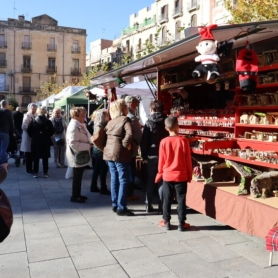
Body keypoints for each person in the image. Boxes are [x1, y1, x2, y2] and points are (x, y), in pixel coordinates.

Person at [155, 116, 192, 231]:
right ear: (177, 126)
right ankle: (181, 222)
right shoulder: (183, 140)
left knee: (167, 199)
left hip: (167, 175)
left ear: (166, 128)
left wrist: (160, 173)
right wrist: (189, 174)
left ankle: (166, 221)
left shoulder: (163, 142)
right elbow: (188, 160)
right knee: (181, 198)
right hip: (181, 175)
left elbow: (161, 160)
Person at [103, 99, 134, 216]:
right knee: (123, 179)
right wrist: (126, 145)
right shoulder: (125, 120)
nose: (127, 107)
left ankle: (115, 204)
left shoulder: (111, 122)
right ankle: (121, 207)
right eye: (125, 106)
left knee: (114, 178)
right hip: (119, 152)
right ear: (122, 108)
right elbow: (130, 134)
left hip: (108, 152)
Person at [140, 100, 168, 213]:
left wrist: (143, 155)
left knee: (151, 180)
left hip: (152, 154)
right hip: (165, 154)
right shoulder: (167, 121)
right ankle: (161, 206)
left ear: (152, 110)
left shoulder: (149, 122)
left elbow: (144, 141)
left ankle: (148, 204)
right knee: (162, 180)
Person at [66, 106, 92, 203]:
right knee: (77, 176)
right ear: (76, 116)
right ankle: (75, 196)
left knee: (79, 176)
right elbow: (73, 143)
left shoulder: (80, 124)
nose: (84, 116)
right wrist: (88, 146)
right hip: (77, 155)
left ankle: (77, 194)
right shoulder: (74, 126)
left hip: (81, 154)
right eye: (82, 114)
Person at [27, 107, 55, 178]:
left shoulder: (33, 121)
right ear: (45, 112)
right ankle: (45, 172)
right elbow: (52, 131)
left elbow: (29, 131)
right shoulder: (48, 121)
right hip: (45, 141)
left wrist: (33, 136)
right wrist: (47, 135)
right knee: (45, 158)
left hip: (35, 141)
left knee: (36, 157)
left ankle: (36, 172)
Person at [125, 96, 142, 201]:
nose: (136, 107)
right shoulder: (131, 117)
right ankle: (129, 193)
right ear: (132, 104)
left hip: (125, 148)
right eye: (136, 105)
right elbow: (137, 135)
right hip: (131, 148)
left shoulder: (123, 115)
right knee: (131, 171)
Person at [90, 109, 110, 195]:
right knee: (103, 170)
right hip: (100, 151)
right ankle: (103, 187)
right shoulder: (100, 126)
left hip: (97, 150)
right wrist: (102, 148)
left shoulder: (98, 125)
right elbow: (95, 139)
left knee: (97, 170)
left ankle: (94, 186)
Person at [20, 103, 37, 175]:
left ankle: (31, 168)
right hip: (28, 137)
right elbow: (24, 126)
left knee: (32, 154)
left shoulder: (35, 115)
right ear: (29, 109)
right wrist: (31, 131)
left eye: (35, 109)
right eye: (33, 109)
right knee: (28, 155)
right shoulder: (27, 116)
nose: (34, 110)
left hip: (33, 138)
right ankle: (28, 169)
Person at [0, 100, 15, 165]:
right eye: (8, 104)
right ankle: (3, 164)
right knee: (3, 148)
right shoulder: (8, 112)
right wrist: (13, 132)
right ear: (6, 105)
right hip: (5, 132)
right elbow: (11, 123)